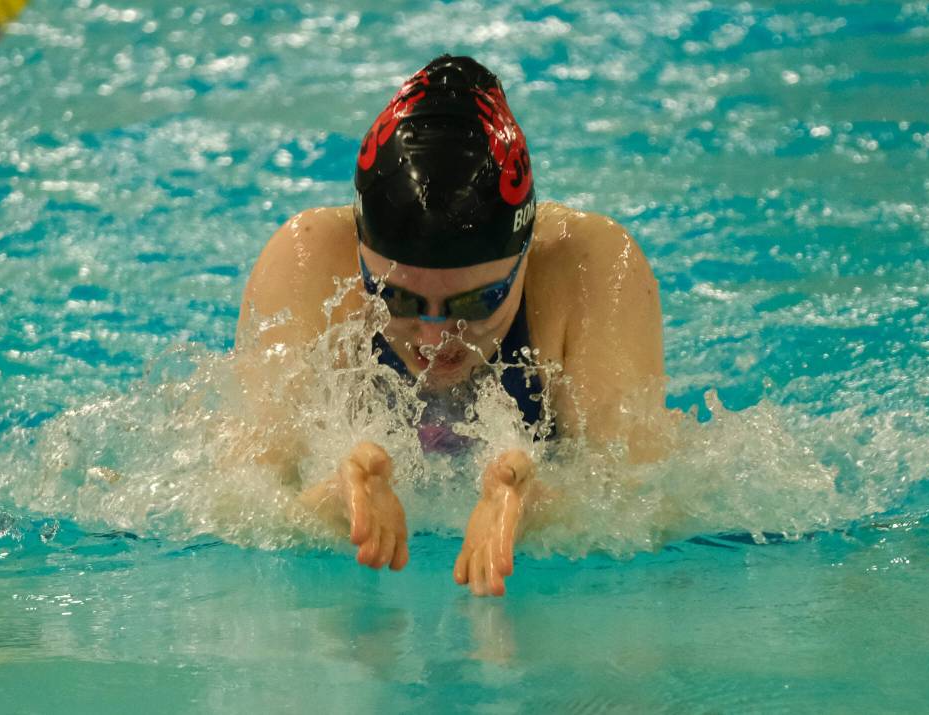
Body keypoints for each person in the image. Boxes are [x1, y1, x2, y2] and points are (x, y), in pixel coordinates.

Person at [235, 55, 667, 596]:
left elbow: (649, 501)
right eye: (394, 296)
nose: (434, 339)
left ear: (526, 252)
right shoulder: (308, 262)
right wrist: (327, 503)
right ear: (360, 256)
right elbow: (234, 497)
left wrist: (544, 508)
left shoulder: (589, 269)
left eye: (477, 302)